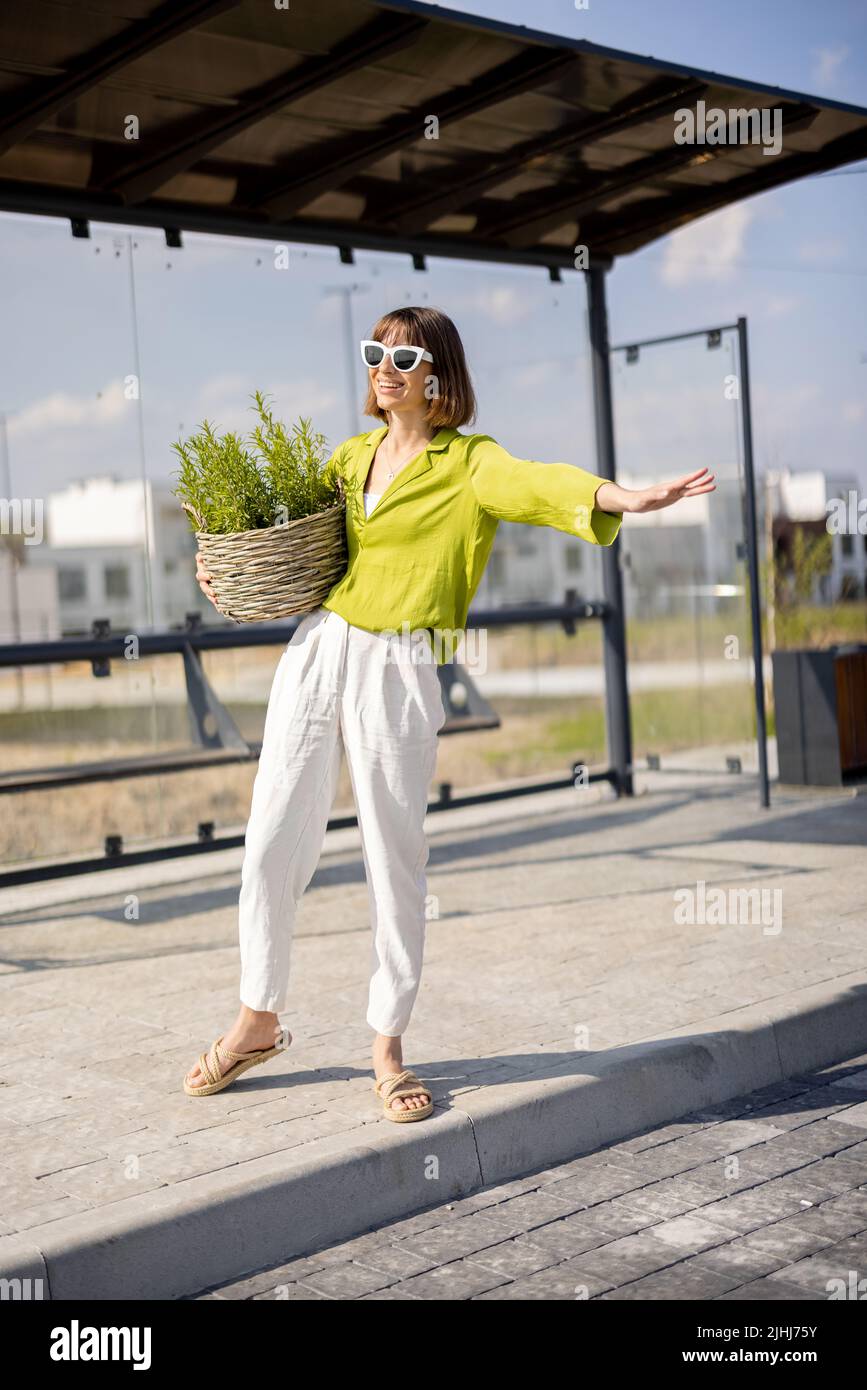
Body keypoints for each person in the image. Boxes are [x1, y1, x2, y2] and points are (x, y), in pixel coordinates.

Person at [184, 305, 715, 1120]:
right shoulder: (347, 458)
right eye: (375, 352)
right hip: (319, 648)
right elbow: (288, 542)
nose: (384, 365)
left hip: (399, 663)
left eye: (403, 353)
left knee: (392, 857)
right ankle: (257, 1018)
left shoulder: (469, 463)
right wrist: (221, 571)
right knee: (268, 842)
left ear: (438, 374)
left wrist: (627, 497)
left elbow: (543, 485)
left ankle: (387, 1047)